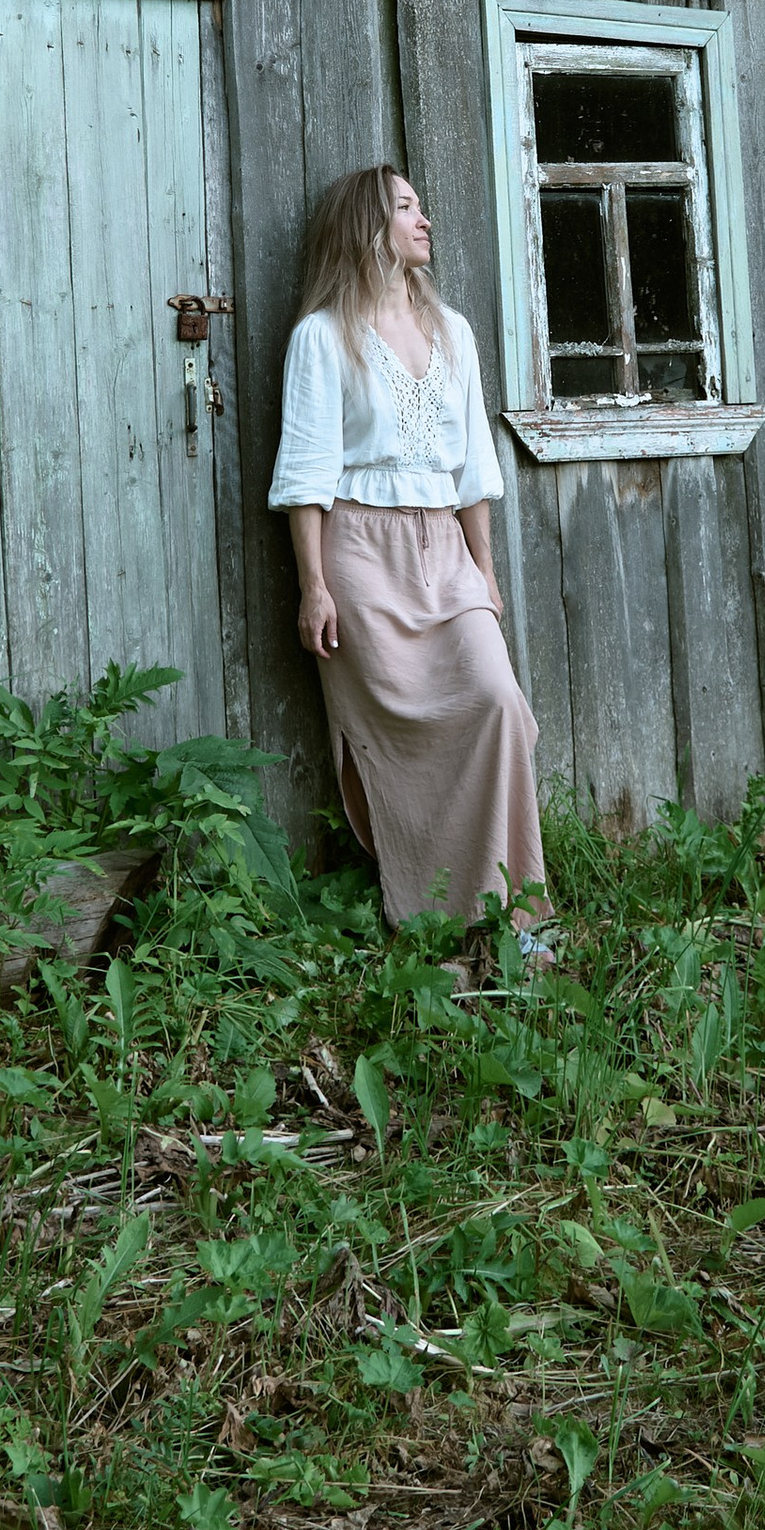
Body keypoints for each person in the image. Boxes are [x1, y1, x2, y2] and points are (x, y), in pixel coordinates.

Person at [267, 165, 552, 955]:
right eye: (405, 207)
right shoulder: (324, 337)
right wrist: (314, 586)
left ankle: (516, 912)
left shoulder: (452, 330)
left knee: (496, 701)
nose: (424, 219)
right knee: (398, 736)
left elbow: (474, 474)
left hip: (447, 551)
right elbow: (306, 474)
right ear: (368, 226)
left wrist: (485, 570)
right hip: (361, 551)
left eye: (422, 205)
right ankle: (444, 920)